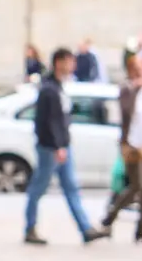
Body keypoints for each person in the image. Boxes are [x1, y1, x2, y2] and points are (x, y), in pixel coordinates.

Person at [21, 64, 101, 244]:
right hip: (51, 148)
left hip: (61, 146)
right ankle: (30, 227)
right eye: (69, 61)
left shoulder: (58, 88)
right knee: (38, 188)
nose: (73, 66)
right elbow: (49, 122)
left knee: (71, 187)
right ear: (60, 62)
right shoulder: (49, 90)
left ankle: (85, 228)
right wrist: (58, 146)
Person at [104, 52, 142, 243]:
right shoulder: (127, 90)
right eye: (136, 69)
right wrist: (137, 89)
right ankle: (110, 217)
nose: (140, 72)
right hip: (133, 144)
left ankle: (141, 228)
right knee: (137, 185)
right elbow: (126, 111)